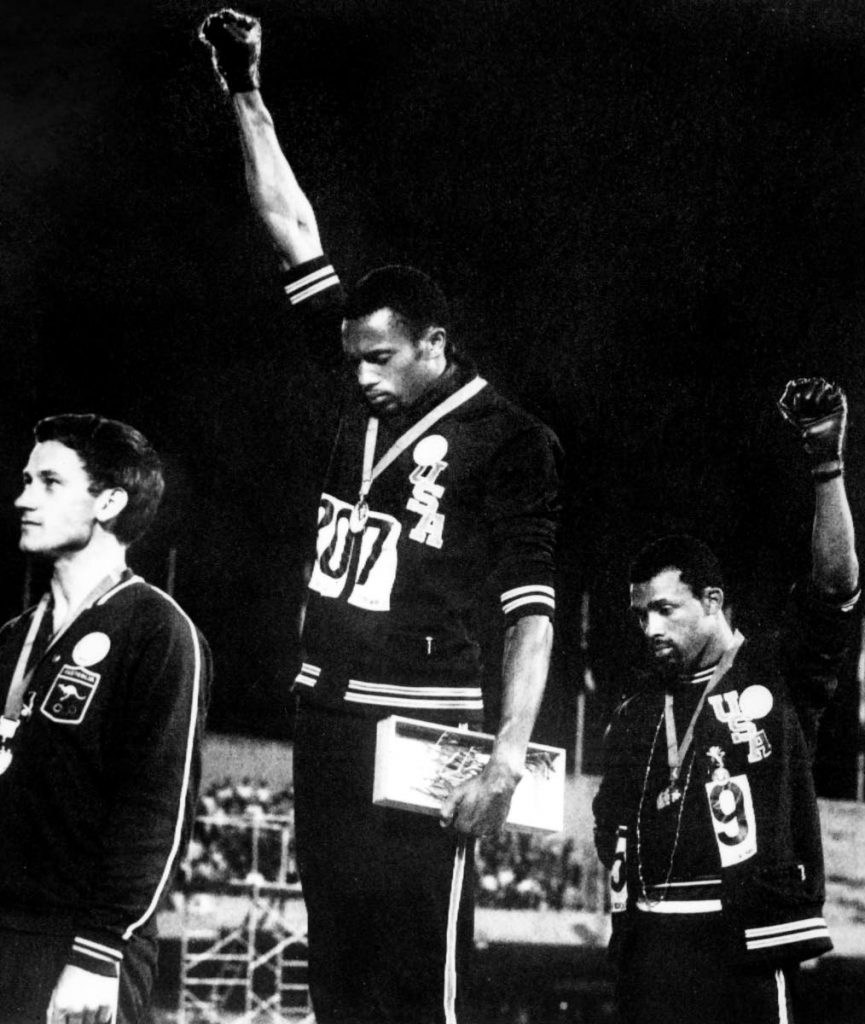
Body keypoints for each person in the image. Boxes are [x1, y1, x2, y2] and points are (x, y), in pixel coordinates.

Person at [199, 10, 561, 1024]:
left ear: (435, 343)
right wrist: (243, 88)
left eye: (379, 358)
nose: (355, 374)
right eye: (350, 354)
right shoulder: (352, 377)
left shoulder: (511, 440)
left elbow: (531, 613)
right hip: (325, 717)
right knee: (339, 972)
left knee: (422, 975)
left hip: (424, 724)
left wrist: (505, 752)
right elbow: (291, 229)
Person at [592, 377, 860, 1024]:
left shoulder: (775, 670)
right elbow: (610, 831)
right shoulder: (633, 714)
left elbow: (834, 588)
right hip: (650, 947)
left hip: (743, 948)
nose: (649, 628)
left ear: (711, 601)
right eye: (639, 616)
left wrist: (826, 465)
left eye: (664, 609)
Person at [0, 414, 211, 1024]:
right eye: (25, 480)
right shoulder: (13, 639)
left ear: (110, 501)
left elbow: (156, 813)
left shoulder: (159, 632)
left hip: (82, 949)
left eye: (48, 482)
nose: (23, 498)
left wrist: (98, 952)